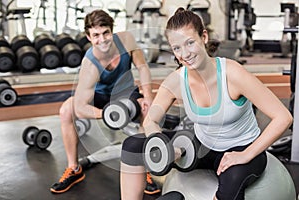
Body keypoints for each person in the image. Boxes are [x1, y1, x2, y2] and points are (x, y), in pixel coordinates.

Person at [120, 7, 293, 200]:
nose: (184, 54)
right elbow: (150, 121)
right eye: (177, 48)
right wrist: (163, 147)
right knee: (132, 145)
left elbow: (283, 117)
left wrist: (245, 155)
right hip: (203, 147)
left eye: (190, 43)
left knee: (232, 183)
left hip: (242, 147)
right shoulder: (176, 80)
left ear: (204, 37)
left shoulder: (232, 74)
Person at [50, 9, 161, 195]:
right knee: (66, 110)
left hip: (125, 92)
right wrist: (108, 114)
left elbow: (142, 67)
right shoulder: (90, 65)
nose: (102, 40)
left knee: (146, 109)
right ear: (88, 37)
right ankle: (74, 169)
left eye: (106, 33)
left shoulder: (126, 41)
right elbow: (80, 106)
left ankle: (144, 169)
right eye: (96, 35)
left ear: (112, 30)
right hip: (100, 98)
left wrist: (148, 97)